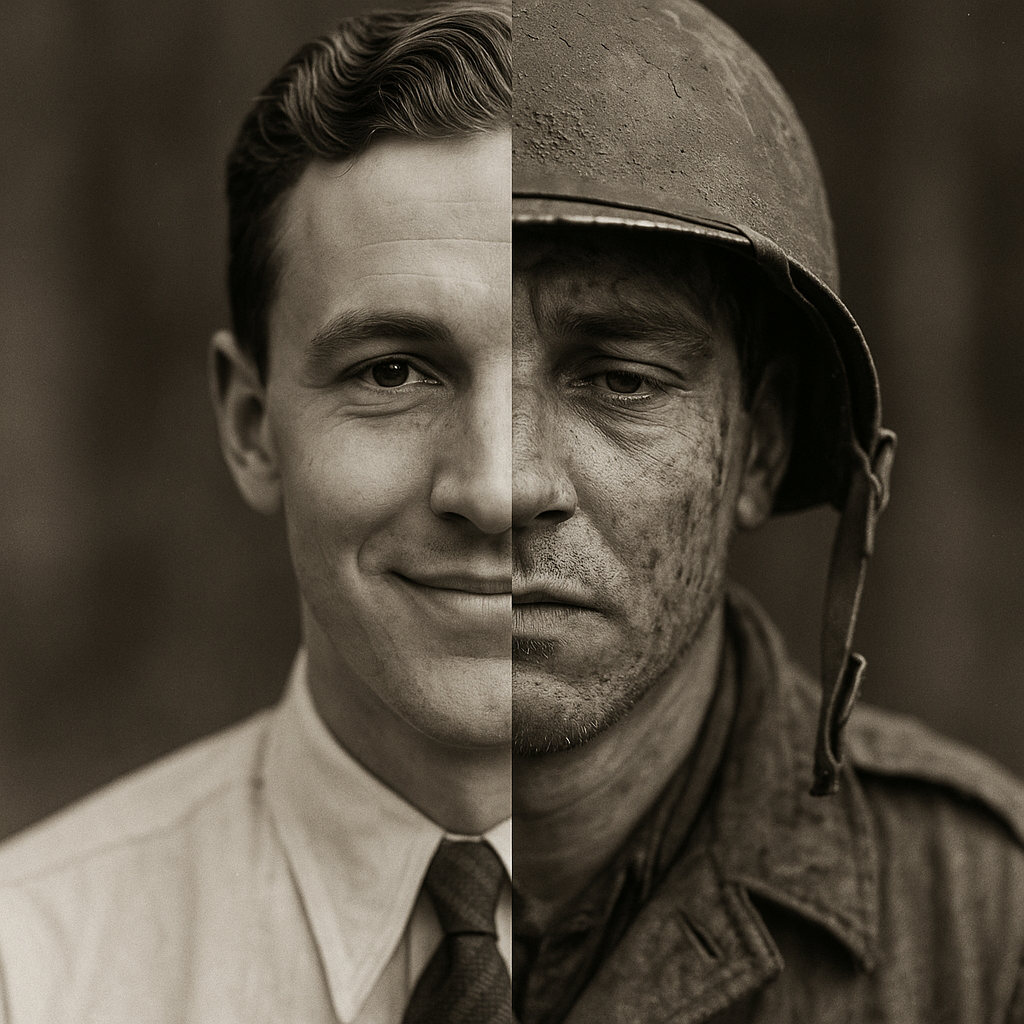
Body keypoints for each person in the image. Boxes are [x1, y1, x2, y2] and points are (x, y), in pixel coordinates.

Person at [510, 1, 1024, 1022]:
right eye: (405, 372)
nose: (510, 480)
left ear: (762, 445)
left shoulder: (984, 924)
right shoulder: (129, 901)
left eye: (619, 380)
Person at [0, 4, 514, 1022]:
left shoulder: (903, 950)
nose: (493, 486)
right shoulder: (29, 968)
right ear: (248, 423)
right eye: (395, 370)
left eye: (594, 377)